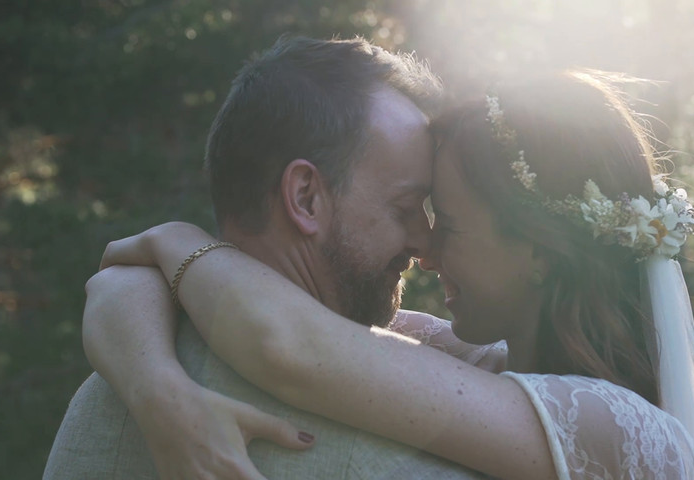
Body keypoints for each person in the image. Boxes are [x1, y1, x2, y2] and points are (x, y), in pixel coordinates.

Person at [83, 71, 694, 479]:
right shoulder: (461, 358)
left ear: (539, 252)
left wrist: (174, 238)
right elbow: (122, 284)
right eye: (411, 212)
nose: (425, 249)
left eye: (445, 221)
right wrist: (155, 385)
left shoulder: (619, 431)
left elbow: (291, 344)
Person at [44, 36, 491, 480]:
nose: (425, 245)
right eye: (405, 208)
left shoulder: (99, 399)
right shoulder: (405, 454)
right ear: (306, 197)